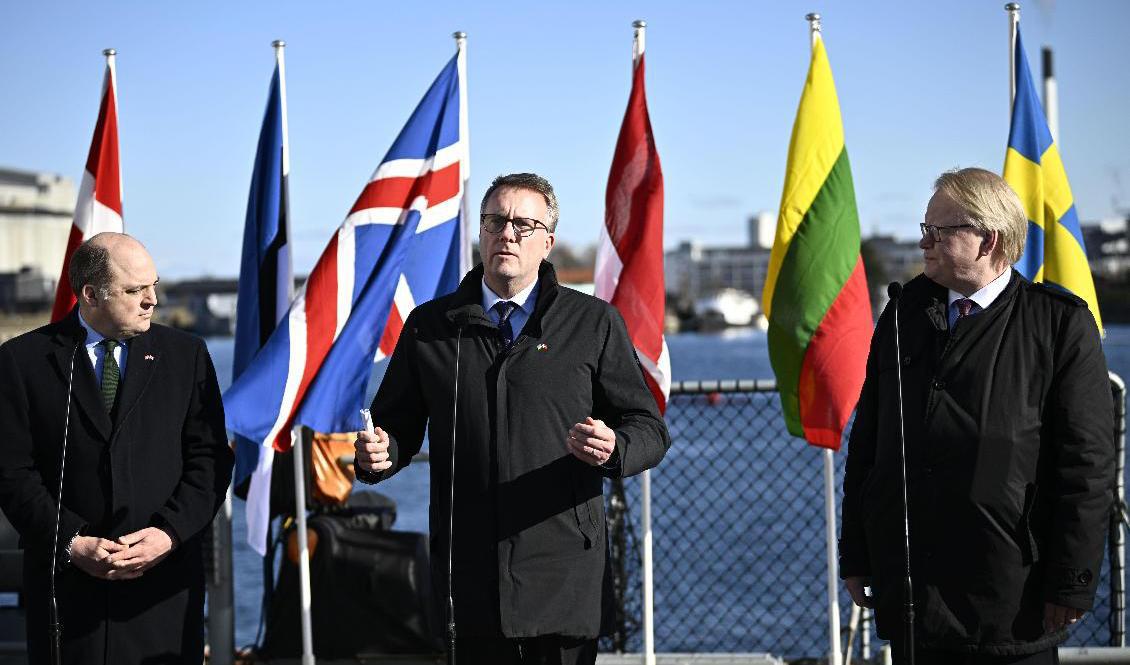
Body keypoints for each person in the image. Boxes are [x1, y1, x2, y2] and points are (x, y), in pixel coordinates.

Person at [354, 172, 670, 664]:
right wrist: (379, 453)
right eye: (496, 220)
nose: (508, 233)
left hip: (563, 578)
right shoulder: (431, 328)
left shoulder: (592, 323)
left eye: (524, 224)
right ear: (480, 233)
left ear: (547, 242)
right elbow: (396, 428)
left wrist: (615, 447)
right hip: (468, 583)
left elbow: (648, 429)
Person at [839, 168, 1114, 664]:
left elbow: (1086, 469)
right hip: (913, 598)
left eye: (938, 232)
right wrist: (856, 556)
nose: (924, 243)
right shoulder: (902, 314)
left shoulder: (1059, 324)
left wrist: (1071, 583)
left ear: (987, 239)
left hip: (1011, 597)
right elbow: (869, 447)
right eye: (925, 229)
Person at [0, 233, 232, 664]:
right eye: (135, 290)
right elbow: (11, 472)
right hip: (67, 599)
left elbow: (211, 460)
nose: (152, 300)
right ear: (90, 294)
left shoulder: (187, 356)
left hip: (162, 593)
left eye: (154, 286)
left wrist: (170, 533)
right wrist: (70, 540)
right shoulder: (21, 361)